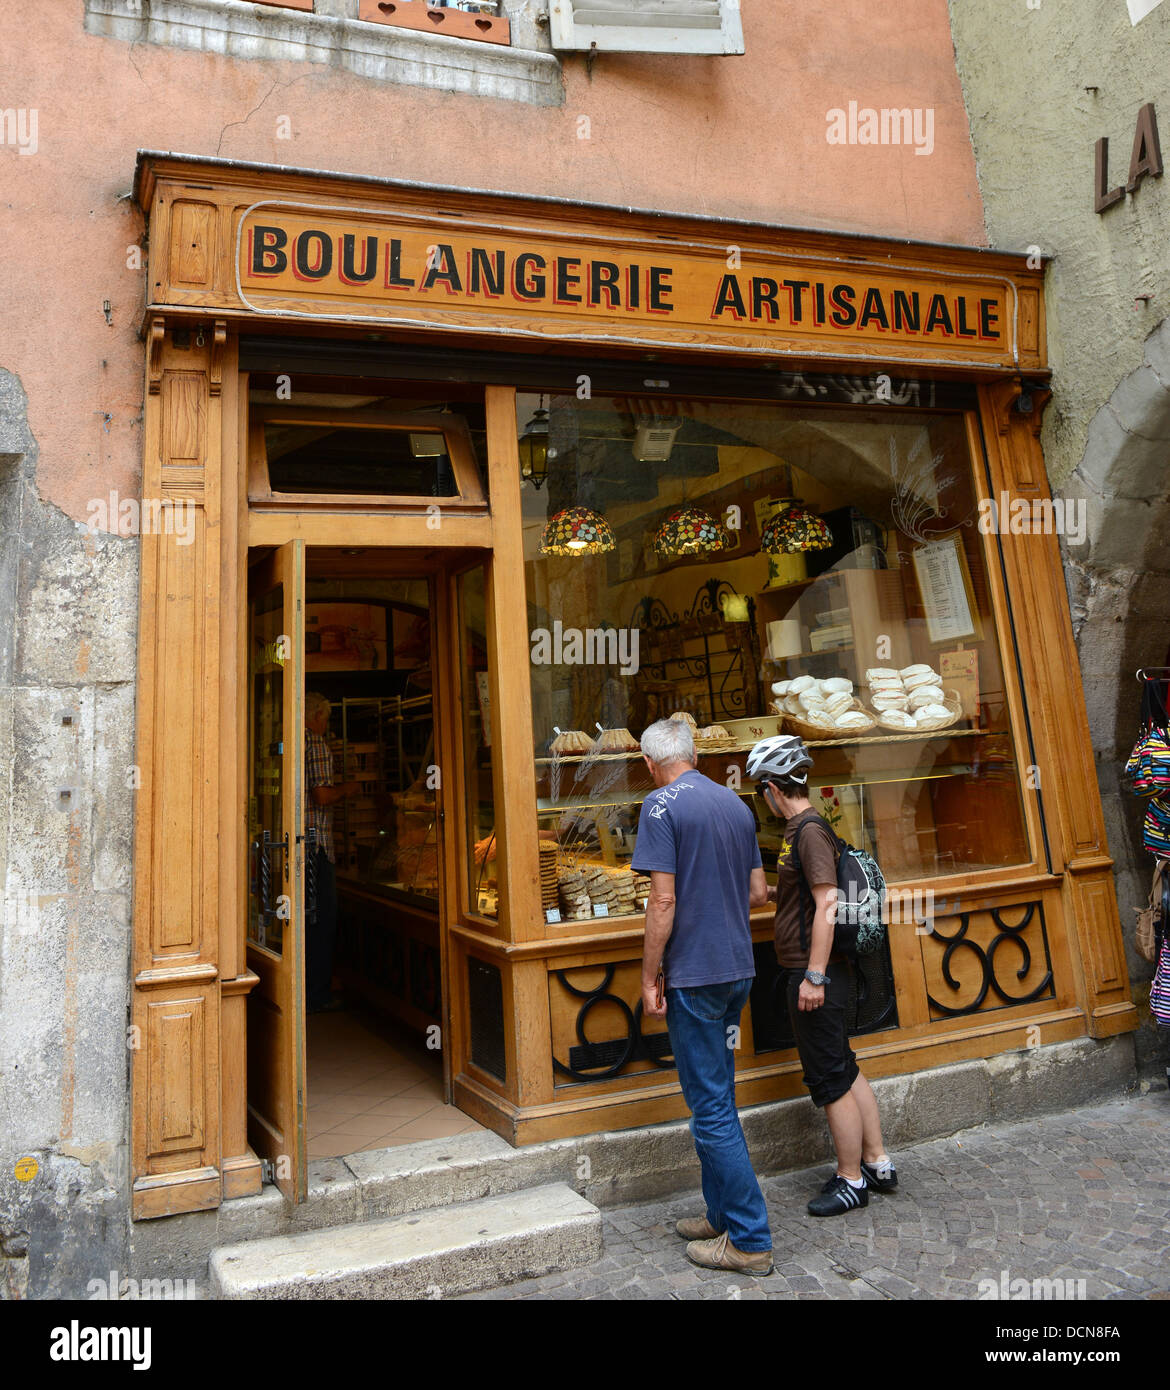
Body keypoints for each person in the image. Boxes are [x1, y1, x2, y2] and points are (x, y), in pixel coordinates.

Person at [633, 718, 773, 1276]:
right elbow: (759, 893)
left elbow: (661, 903)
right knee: (719, 1098)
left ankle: (750, 1238)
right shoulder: (735, 804)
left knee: (710, 1108)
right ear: (693, 753)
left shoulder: (660, 806)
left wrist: (648, 977)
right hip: (737, 967)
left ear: (649, 763)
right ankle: (719, 1214)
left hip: (693, 973)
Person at [747, 734, 897, 1217]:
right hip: (823, 971)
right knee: (844, 1065)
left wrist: (814, 975)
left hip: (816, 973)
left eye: (759, 791)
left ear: (772, 788)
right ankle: (877, 1160)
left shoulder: (807, 831)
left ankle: (850, 1178)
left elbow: (828, 903)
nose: (760, 799)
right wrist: (768, 891)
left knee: (830, 1077)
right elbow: (807, 894)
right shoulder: (808, 830)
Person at [304, 692, 361, 1014]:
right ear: (316, 716)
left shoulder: (293, 741)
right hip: (317, 847)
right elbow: (322, 796)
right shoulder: (317, 745)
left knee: (305, 922)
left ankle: (305, 990)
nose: (326, 724)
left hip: (297, 847)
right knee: (323, 922)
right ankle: (318, 995)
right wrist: (349, 789)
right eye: (325, 717)